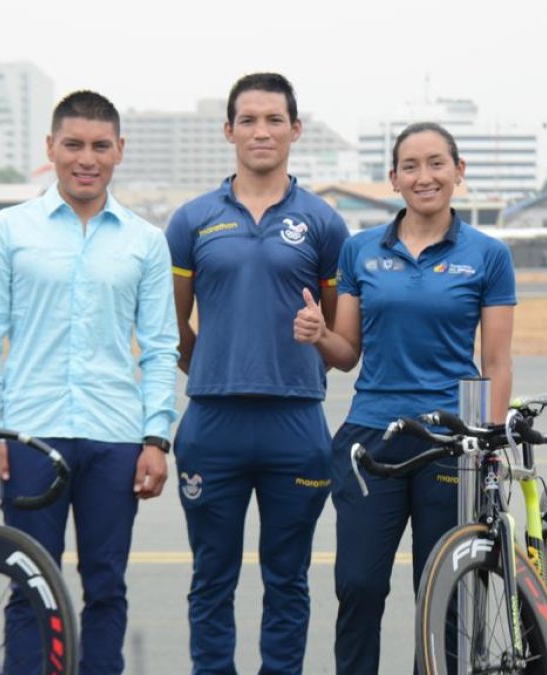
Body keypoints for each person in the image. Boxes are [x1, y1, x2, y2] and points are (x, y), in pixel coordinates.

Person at [0, 90, 179, 675]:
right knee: (29, 581)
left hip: (115, 437)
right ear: (51, 149)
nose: (87, 158)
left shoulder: (144, 242)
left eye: (100, 146)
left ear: (119, 151)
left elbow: (161, 348)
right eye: (74, 145)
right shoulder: (10, 230)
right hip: (29, 435)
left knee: (106, 586)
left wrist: (156, 438)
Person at [293, 121, 516, 673]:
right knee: (359, 587)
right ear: (393, 179)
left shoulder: (488, 255)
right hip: (372, 436)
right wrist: (320, 335)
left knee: (443, 594)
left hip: (449, 441)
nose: (425, 176)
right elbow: (347, 353)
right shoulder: (360, 250)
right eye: (410, 166)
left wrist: (485, 442)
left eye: (437, 163)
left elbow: (495, 363)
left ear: (458, 173)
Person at [164, 72, 350, 675]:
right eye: (248, 120)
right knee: (210, 578)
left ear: (295, 130)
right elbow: (174, 326)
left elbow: (340, 338)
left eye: (274, 119)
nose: (261, 131)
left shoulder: (324, 223)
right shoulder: (191, 220)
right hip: (212, 422)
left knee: (288, 580)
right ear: (229, 131)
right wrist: (216, 368)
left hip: (295, 423)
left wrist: (313, 340)